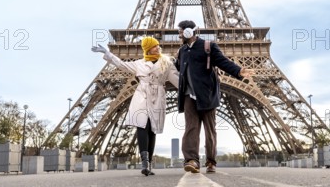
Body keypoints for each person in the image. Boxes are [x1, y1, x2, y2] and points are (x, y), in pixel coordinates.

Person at [175, 20, 255, 174]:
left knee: (210, 130)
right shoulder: (182, 51)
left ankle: (211, 161)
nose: (179, 35)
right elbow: (177, 70)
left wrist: (238, 71)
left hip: (206, 94)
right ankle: (191, 160)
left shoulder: (208, 47)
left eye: (180, 31)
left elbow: (223, 62)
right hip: (188, 96)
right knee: (190, 128)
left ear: (188, 32)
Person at [92, 37, 179, 176]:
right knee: (141, 125)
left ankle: (149, 163)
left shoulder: (166, 63)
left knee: (152, 129)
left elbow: (177, 80)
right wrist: (108, 53)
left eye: (158, 46)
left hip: (157, 96)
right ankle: (144, 163)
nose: (158, 48)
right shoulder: (139, 63)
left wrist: (192, 91)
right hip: (142, 95)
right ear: (148, 49)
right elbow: (121, 65)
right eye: (154, 46)